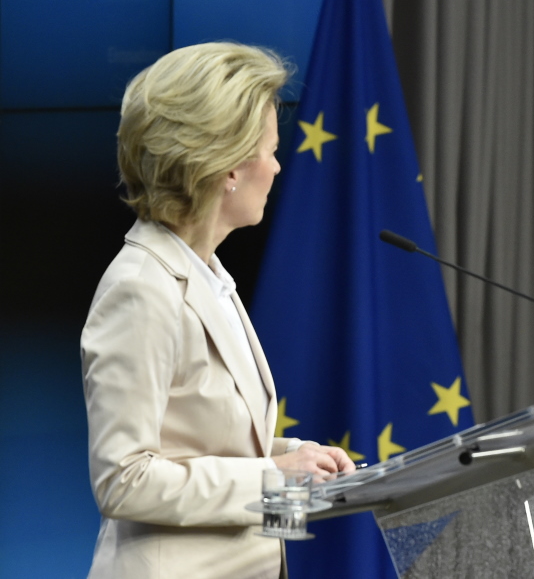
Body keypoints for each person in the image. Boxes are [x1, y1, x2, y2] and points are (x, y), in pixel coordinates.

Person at [81, 42, 356, 579]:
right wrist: (274, 476)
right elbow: (123, 479)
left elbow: (201, 442)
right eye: (271, 150)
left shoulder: (207, 275)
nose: (278, 168)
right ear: (227, 166)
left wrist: (301, 460)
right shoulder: (141, 290)